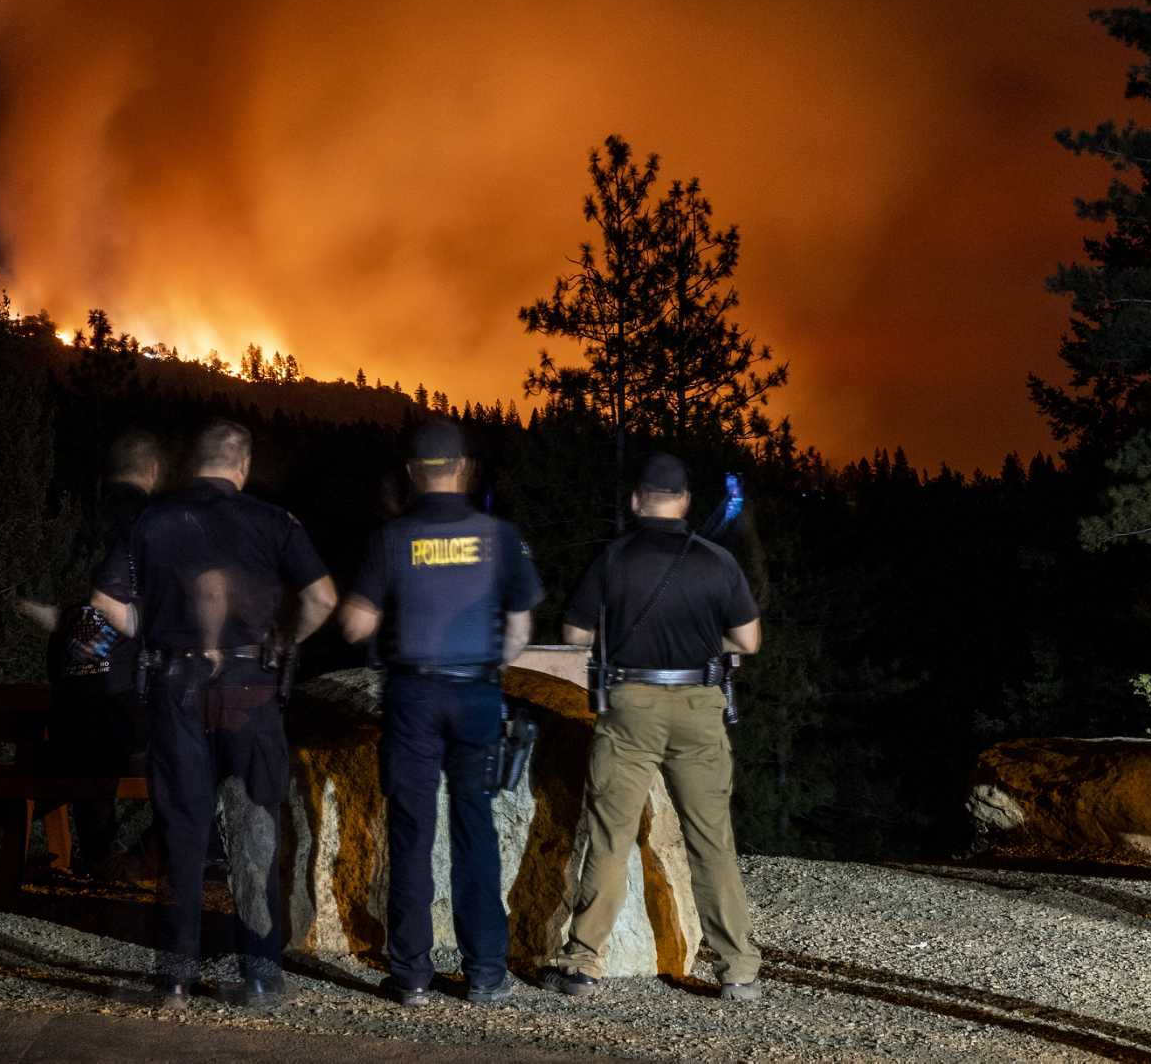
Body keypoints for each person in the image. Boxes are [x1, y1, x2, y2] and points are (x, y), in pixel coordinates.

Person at [90, 419, 338, 1009]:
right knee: (255, 829)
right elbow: (323, 597)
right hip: (251, 688)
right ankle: (259, 974)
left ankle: (176, 978)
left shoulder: (153, 520)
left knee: (183, 828)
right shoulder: (274, 522)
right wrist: (286, 641)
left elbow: (104, 600)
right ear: (242, 465)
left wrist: (152, 635)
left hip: (177, 686)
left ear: (193, 461)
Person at [544, 452, 763, 1002]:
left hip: (630, 707)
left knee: (611, 838)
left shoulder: (613, 560)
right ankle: (738, 968)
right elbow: (749, 641)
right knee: (711, 841)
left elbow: (573, 635)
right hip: (698, 707)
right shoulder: (717, 562)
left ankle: (583, 962)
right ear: (685, 502)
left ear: (638, 500)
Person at [338, 421, 542, 1008]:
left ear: (412, 472)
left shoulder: (392, 538)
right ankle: (484, 973)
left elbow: (356, 621)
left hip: (413, 697)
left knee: (411, 830)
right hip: (476, 693)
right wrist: (486, 671)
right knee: (474, 826)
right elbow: (522, 629)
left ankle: (411, 976)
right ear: (464, 467)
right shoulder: (499, 536)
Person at [15, 430, 162, 873]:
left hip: (67, 706)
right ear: (153, 471)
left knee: (86, 758)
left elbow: (48, 607)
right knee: (191, 755)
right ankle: (140, 861)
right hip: (121, 702)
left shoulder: (78, 520)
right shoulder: (151, 523)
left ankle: (99, 857)